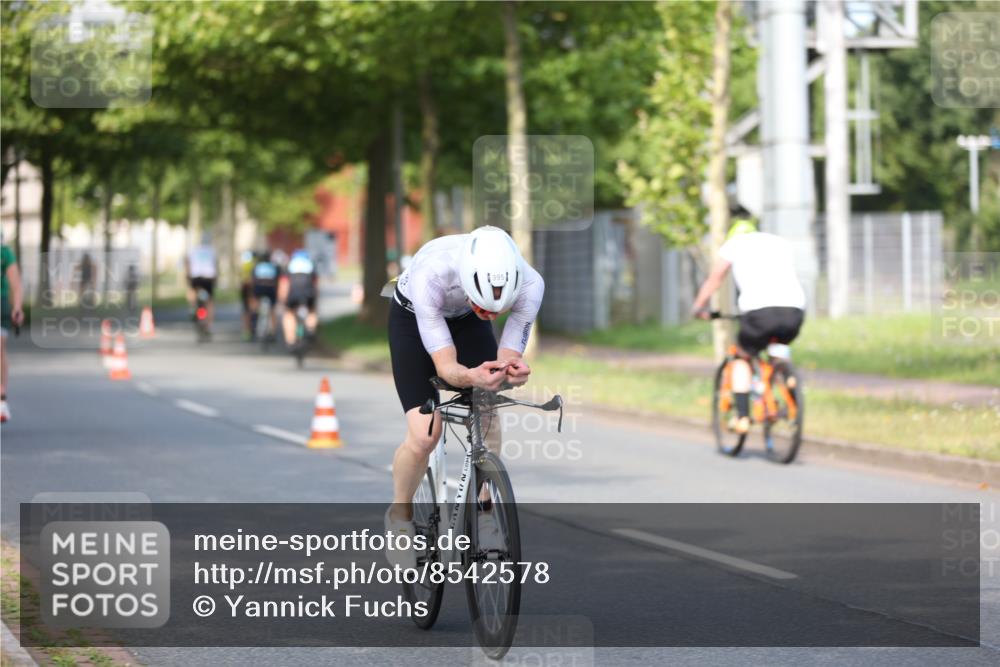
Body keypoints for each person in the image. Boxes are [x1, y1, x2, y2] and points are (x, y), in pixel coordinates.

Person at [384, 226, 544, 568]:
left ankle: (485, 511)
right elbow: (446, 367)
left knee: (487, 406)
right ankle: (399, 513)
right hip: (415, 318)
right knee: (426, 432)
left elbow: (507, 355)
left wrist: (510, 369)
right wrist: (470, 376)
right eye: (485, 306)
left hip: (464, 320)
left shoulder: (531, 284)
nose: (492, 316)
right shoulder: (433, 273)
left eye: (497, 310)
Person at [691, 220, 806, 435]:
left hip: (759, 312)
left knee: (741, 358)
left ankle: (742, 416)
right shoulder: (778, 243)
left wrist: (698, 307)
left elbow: (715, 280)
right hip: (794, 310)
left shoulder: (734, 244)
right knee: (778, 349)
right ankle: (787, 377)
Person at [1, 244, 25, 422]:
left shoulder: (4, 252)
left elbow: (15, 284)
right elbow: (16, 285)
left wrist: (17, 307)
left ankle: (1, 399)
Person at [278, 249, 318, 349]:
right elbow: (315, 285)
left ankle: (290, 341)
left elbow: (284, 285)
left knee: (289, 314)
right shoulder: (311, 266)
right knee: (312, 311)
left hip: (293, 295)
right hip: (308, 294)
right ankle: (310, 329)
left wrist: (282, 299)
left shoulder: (289, 267)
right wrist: (315, 298)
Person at [186, 237, 218, 333]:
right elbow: (215, 264)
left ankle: (192, 307)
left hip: (196, 276)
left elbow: (187, 263)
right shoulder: (212, 251)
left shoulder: (193, 250)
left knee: (192, 290)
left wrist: (188, 275)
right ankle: (209, 325)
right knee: (210, 302)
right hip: (209, 277)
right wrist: (216, 278)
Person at [250, 249, 281, 341]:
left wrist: (252, 294)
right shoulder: (274, 267)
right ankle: (273, 332)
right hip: (271, 289)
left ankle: (254, 319)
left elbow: (253, 281)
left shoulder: (257, 266)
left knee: (254, 303)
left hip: (259, 288)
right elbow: (277, 281)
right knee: (272, 310)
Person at [239, 250, 255, 341]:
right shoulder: (253, 264)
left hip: (245, 287)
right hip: (252, 287)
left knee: (245, 310)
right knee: (251, 307)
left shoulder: (243, 264)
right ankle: (250, 326)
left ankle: (246, 330)